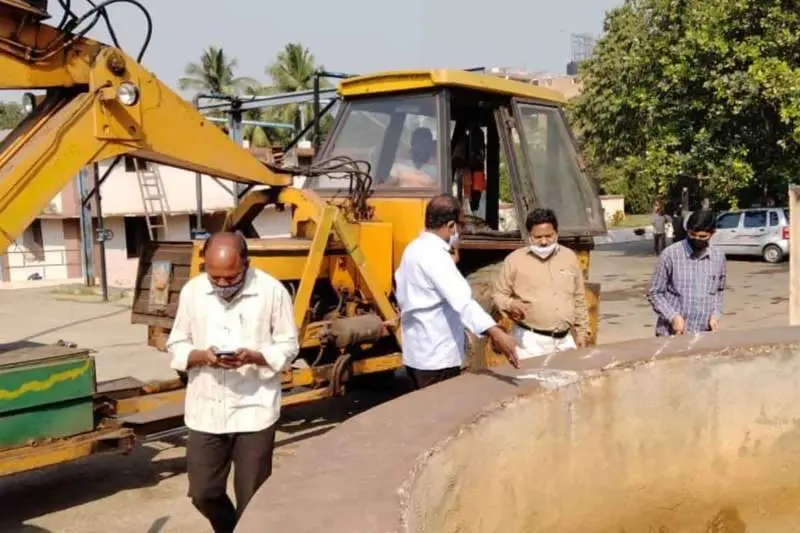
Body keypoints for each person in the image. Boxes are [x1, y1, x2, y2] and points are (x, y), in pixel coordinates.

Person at [166, 232, 299, 533]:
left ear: (246, 264)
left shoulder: (271, 291)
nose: (223, 284)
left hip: (254, 409)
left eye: (231, 277)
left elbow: (288, 345)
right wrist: (202, 356)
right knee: (203, 493)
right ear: (205, 265)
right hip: (206, 411)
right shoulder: (193, 292)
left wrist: (255, 357)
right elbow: (177, 342)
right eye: (215, 278)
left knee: (253, 499)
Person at [394, 194, 519, 389]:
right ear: (451, 225)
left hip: (416, 352)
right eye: (461, 226)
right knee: (441, 404)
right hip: (438, 355)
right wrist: (496, 333)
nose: (460, 231)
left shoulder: (413, 248)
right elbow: (463, 302)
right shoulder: (436, 256)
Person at [492, 208, 590, 360]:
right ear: (529, 236)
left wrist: (582, 333)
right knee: (532, 376)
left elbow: (579, 298)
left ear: (556, 233)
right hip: (530, 342)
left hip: (565, 341)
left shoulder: (569, 257)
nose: (544, 242)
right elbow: (498, 295)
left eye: (548, 236)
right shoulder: (514, 260)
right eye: (538, 237)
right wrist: (510, 304)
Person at [646, 210, 726, 337]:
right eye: (692, 235)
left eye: (702, 236)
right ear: (687, 231)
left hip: (703, 334)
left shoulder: (718, 257)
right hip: (671, 334)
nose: (696, 239)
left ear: (712, 234)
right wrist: (672, 317)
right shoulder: (670, 255)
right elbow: (654, 293)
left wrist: (715, 315)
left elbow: (718, 291)